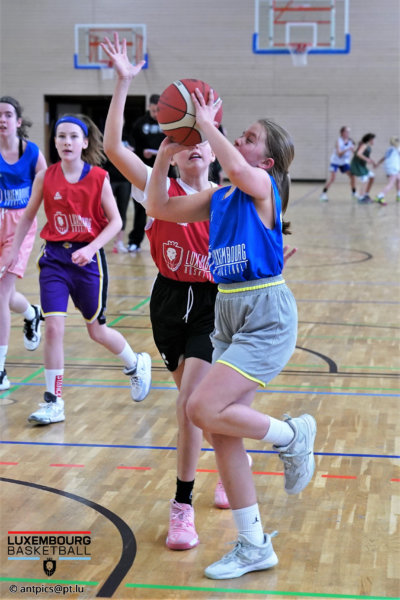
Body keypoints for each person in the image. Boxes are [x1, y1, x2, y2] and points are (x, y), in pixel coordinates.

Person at [146, 86, 317, 580]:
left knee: (199, 407)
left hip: (265, 314)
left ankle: (291, 435)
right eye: (237, 135)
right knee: (221, 433)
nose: (238, 141)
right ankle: (254, 544)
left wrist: (204, 123)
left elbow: (239, 170)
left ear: (267, 160)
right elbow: (158, 207)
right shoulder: (219, 198)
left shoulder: (262, 187)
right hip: (228, 313)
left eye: (248, 138)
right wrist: (164, 156)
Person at [0, 113, 151, 423]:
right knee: (54, 328)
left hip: (88, 262)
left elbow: (116, 222)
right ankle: (54, 400)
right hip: (55, 260)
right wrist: (12, 253)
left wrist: (92, 247)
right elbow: (27, 217)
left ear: (84, 142)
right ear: (55, 142)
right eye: (61, 136)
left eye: (73, 136)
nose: (66, 141)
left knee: (97, 331)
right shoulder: (45, 177)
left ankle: (135, 363)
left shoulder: (98, 177)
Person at [0, 96, 47, 392]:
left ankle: (0, 370)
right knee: (5, 296)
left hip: (19, 228)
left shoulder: (31, 153)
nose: (1, 119)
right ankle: (31, 313)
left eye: (7, 114)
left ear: (18, 121)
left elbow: (49, 187)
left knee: (0, 295)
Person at [127, 94, 165, 252]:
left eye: (159, 110)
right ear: (149, 107)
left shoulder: (168, 123)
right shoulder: (140, 123)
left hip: (165, 172)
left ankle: (165, 241)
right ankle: (135, 241)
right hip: (143, 172)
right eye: (154, 110)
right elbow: (132, 146)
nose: (156, 114)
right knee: (140, 209)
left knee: (166, 209)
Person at [104, 137, 134, 253]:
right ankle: (97, 239)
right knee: (103, 212)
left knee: (122, 211)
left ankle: (119, 242)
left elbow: (134, 154)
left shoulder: (129, 135)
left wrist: (129, 151)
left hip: (124, 180)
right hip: (109, 179)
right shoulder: (107, 135)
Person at [319, 126, 356, 201]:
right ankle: (323, 194)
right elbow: (339, 154)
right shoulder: (338, 141)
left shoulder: (350, 141)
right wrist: (348, 149)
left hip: (344, 162)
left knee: (352, 176)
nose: (348, 133)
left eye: (348, 132)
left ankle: (354, 193)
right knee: (332, 178)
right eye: (346, 132)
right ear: (342, 132)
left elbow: (354, 152)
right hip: (335, 162)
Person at [350, 133, 377, 203]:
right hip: (357, 165)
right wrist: (366, 159)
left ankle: (366, 194)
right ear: (369, 140)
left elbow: (365, 156)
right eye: (373, 139)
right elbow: (359, 153)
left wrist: (373, 162)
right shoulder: (364, 145)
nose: (374, 141)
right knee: (365, 179)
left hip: (362, 166)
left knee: (372, 176)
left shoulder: (368, 147)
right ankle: (361, 198)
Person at [374, 136, 400, 205]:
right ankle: (379, 196)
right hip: (393, 168)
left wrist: (378, 163)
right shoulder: (398, 148)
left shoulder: (389, 148)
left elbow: (384, 157)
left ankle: (399, 195)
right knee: (391, 184)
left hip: (388, 167)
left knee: (398, 179)